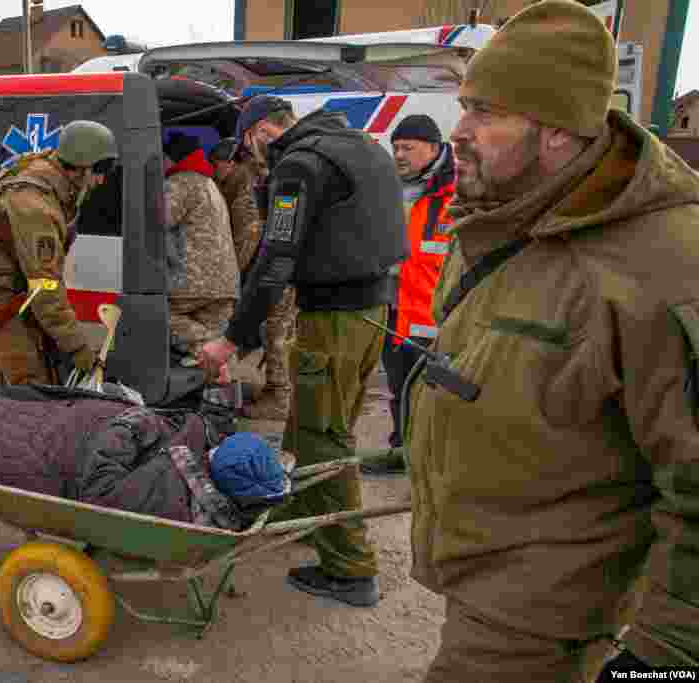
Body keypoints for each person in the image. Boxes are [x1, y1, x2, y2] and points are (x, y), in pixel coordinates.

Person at [403, 2, 699, 679]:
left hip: (549, 614)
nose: (459, 131)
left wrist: (661, 661)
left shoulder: (665, 262)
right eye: (465, 106)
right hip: (482, 576)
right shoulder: (500, 213)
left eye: (486, 112)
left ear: (559, 130)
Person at [199, 96, 407, 607]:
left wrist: (231, 338)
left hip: (332, 318)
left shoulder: (298, 165)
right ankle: (302, 517)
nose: (253, 158)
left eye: (249, 146)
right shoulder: (360, 144)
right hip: (373, 312)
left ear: (260, 132)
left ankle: (351, 568)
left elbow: (275, 261)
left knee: (322, 437)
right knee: (312, 422)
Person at [0, 385, 289, 539]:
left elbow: (100, 490)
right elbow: (208, 431)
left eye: (217, 452)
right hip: (79, 430)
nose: (213, 448)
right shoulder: (212, 474)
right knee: (15, 397)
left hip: (61, 457)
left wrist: (132, 424)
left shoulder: (169, 492)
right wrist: (219, 398)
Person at [0, 121, 118, 387]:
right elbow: (45, 289)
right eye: (100, 169)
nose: (102, 179)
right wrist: (82, 352)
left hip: (16, 284)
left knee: (47, 362)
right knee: (31, 378)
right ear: (79, 165)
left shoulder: (58, 180)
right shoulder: (35, 206)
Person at [362, 114, 455, 477]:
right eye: (396, 147)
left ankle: (437, 462)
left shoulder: (458, 191)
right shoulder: (390, 187)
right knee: (399, 385)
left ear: (432, 148)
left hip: (436, 313)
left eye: (407, 147)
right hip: (395, 308)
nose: (399, 155)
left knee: (436, 391)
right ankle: (403, 450)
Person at [209, 138, 297, 420]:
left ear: (230, 164)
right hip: (272, 274)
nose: (214, 172)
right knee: (274, 334)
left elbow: (248, 238)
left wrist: (230, 275)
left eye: (217, 166)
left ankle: (280, 399)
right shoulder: (241, 185)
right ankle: (276, 392)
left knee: (276, 335)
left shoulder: (243, 190)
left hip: (273, 276)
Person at [163, 132, 239, 370]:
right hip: (225, 283)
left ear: (172, 159)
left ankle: (203, 347)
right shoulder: (209, 184)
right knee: (217, 347)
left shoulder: (179, 183)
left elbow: (157, 223)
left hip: (194, 281)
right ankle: (223, 384)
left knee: (154, 315)